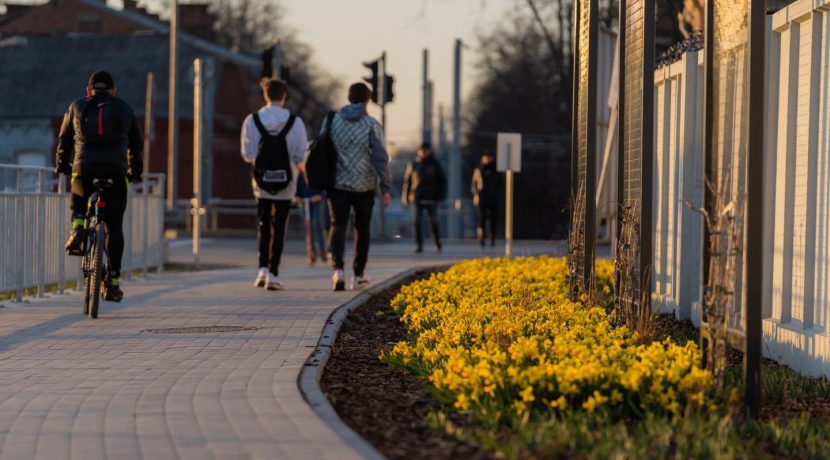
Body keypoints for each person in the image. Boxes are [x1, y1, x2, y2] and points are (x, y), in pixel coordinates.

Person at [56, 70, 143, 302]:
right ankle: (113, 282)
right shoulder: (124, 108)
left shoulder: (76, 106)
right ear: (114, 91)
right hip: (116, 169)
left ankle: (77, 227)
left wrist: (62, 166)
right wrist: (136, 172)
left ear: (89, 90)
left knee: (77, 185)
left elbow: (64, 139)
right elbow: (137, 145)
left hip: (85, 167)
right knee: (114, 225)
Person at [317, 82, 391, 291]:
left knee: (337, 225)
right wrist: (385, 188)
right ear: (367, 100)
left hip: (337, 183)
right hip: (364, 185)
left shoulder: (331, 121)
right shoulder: (371, 125)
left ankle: (338, 271)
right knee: (362, 229)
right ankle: (358, 275)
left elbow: (322, 148)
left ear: (349, 97)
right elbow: (380, 158)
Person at [241, 78, 308, 290]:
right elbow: (300, 156)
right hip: (286, 184)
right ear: (284, 95)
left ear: (265, 95)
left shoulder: (252, 120)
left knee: (263, 225)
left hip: (261, 182)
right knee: (279, 227)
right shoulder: (295, 122)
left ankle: (261, 269)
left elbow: (247, 154)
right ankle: (273, 273)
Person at [402, 143, 446, 253]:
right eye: (422, 150)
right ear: (418, 151)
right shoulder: (414, 164)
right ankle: (419, 245)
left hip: (432, 198)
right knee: (417, 222)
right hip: (417, 197)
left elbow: (442, 181)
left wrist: (441, 197)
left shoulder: (435, 164)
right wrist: (405, 197)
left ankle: (437, 243)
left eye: (426, 150)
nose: (423, 152)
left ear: (430, 151)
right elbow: (407, 182)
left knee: (433, 222)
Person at [295, 174, 328, 265]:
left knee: (317, 223)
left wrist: (320, 195)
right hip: (304, 202)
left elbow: (325, 184)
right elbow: (296, 187)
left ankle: (323, 252)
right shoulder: (300, 173)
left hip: (317, 201)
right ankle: (312, 253)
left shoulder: (317, 168)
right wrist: (297, 196)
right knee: (308, 228)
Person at [471, 152, 500, 247]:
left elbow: (501, 184)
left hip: (493, 198)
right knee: (481, 218)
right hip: (481, 198)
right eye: (485, 157)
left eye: (489, 157)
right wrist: (476, 193)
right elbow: (474, 184)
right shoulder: (478, 170)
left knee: (493, 219)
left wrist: (497, 193)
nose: (487, 159)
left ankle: (492, 237)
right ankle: (481, 237)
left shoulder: (496, 170)